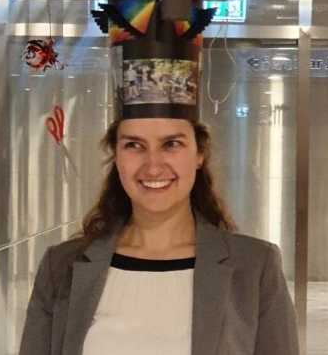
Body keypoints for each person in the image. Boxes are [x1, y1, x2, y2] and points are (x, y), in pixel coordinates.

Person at [19, 116, 300, 355]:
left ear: (199, 153)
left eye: (171, 144)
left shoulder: (254, 266)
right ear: (116, 156)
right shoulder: (61, 265)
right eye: (134, 145)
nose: (153, 166)